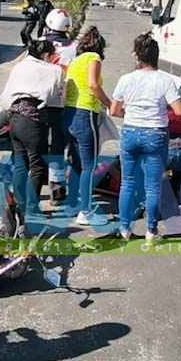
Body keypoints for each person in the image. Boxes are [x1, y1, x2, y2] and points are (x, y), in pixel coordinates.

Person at [110, 33, 181, 242]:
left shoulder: (126, 79)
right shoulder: (165, 80)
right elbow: (180, 111)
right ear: (157, 57)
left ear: (138, 57)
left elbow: (114, 110)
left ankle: (125, 229)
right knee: (153, 185)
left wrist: (132, 113)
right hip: (155, 134)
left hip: (130, 133)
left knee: (127, 182)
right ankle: (151, 231)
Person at [0, 39, 65, 221]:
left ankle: (18, 204)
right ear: (46, 55)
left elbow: (6, 95)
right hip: (33, 121)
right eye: (52, 55)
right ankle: (31, 209)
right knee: (37, 167)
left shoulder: (20, 66)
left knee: (21, 164)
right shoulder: (54, 70)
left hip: (14, 117)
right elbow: (55, 97)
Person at [64, 26, 114, 227]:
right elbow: (94, 85)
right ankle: (85, 211)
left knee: (75, 162)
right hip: (85, 114)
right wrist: (109, 104)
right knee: (89, 165)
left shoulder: (75, 61)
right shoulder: (93, 57)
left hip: (69, 114)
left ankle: (73, 203)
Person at [42, 8, 77, 205]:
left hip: (42, 102)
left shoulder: (41, 44)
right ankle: (58, 188)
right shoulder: (74, 47)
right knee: (59, 145)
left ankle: (34, 185)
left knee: (37, 146)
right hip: (64, 102)